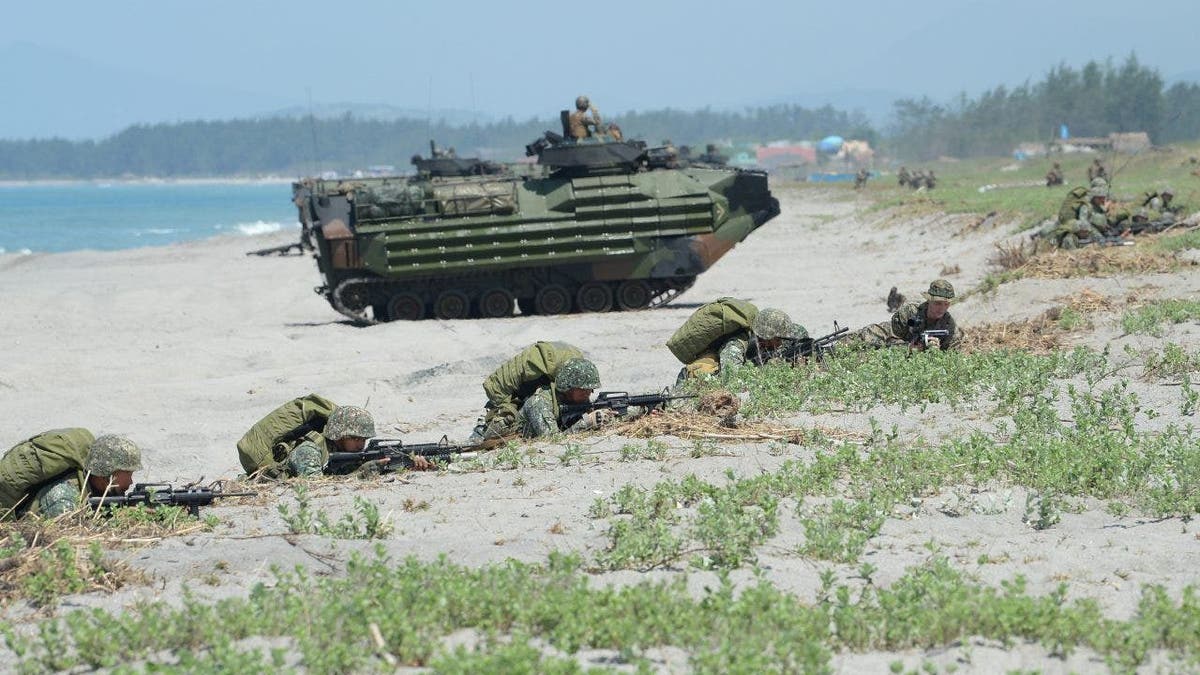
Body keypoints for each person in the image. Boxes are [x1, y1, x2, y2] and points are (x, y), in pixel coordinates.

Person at [469, 342, 613, 441]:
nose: (589, 393)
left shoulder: (569, 400)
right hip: (500, 437)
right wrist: (587, 422)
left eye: (591, 389)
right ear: (567, 387)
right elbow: (552, 440)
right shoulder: (540, 403)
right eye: (583, 389)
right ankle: (480, 428)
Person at [0, 430, 142, 520]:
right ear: (106, 473)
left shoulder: (93, 488)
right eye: (128, 473)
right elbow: (70, 537)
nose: (130, 481)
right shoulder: (63, 496)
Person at [237, 394, 378, 479]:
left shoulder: (340, 451)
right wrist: (360, 474)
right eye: (355, 439)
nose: (361, 445)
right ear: (339, 436)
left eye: (364, 439)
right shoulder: (309, 450)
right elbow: (315, 484)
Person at [667, 298, 804, 381]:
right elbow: (732, 379)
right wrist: (767, 372)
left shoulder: (764, 339)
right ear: (767, 336)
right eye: (779, 338)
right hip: (697, 381)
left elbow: (799, 334)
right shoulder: (735, 346)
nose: (782, 342)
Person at [852, 280, 963, 351]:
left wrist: (935, 352)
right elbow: (889, 336)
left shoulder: (950, 329)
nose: (942, 308)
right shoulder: (911, 314)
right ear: (929, 301)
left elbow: (953, 362)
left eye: (946, 304)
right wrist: (907, 348)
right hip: (900, 342)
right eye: (938, 303)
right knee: (865, 337)